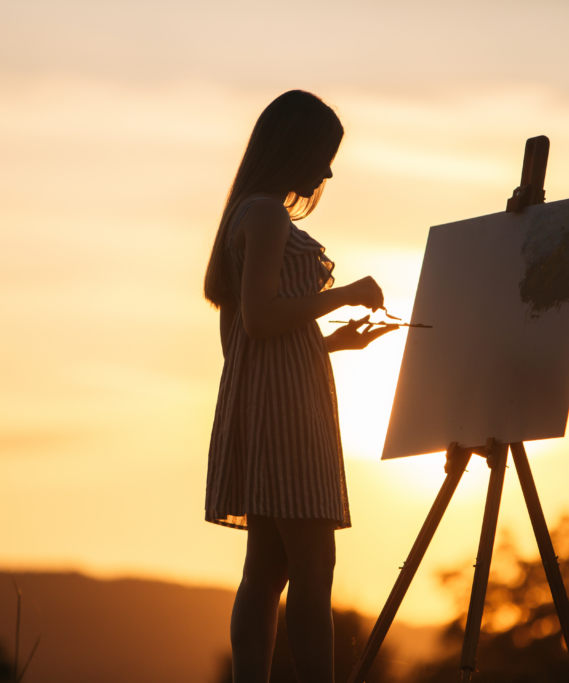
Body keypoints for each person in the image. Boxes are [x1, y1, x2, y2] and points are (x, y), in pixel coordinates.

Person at [203, 90, 396, 683]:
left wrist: (331, 342)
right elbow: (261, 319)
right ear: (296, 148)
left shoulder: (249, 212)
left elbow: (244, 337)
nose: (328, 171)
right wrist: (345, 294)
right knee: (314, 568)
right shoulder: (265, 215)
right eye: (324, 154)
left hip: (267, 401)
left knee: (265, 570)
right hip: (287, 413)